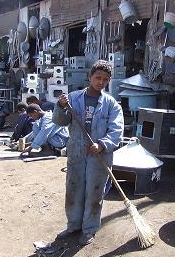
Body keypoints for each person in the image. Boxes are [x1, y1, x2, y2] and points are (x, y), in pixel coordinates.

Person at [53, 60, 124, 246]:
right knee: (74, 189)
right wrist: (60, 106)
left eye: (105, 79)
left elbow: (116, 130)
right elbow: (60, 121)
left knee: (94, 192)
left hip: (99, 156)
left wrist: (102, 144)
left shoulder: (112, 104)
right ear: (89, 77)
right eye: (98, 77)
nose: (101, 82)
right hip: (76, 151)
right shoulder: (73, 98)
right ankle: (73, 225)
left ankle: (89, 229)